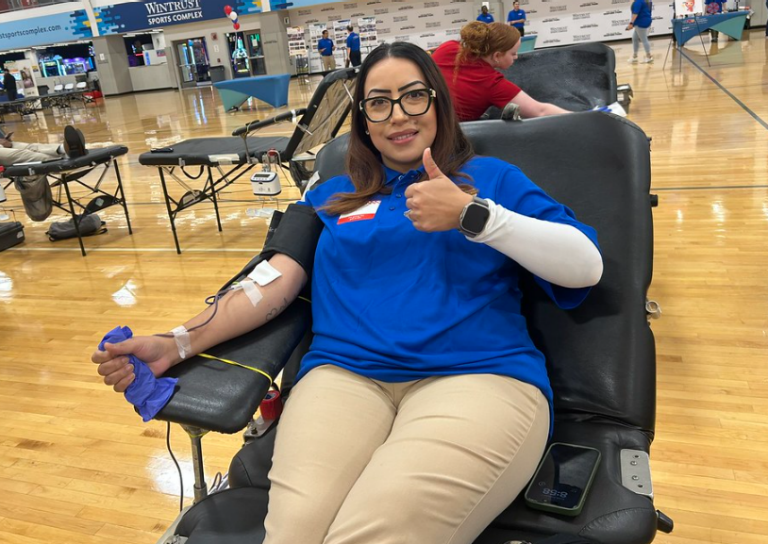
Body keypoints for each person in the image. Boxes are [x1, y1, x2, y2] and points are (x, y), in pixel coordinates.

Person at [93, 41, 603, 544]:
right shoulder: (329, 196)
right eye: (378, 103)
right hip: (346, 378)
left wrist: (475, 216)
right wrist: (175, 342)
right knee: (292, 534)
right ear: (363, 119)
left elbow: (585, 266)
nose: (398, 115)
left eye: (413, 96)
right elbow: (269, 284)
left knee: (372, 533)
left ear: (438, 102)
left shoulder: (490, 179)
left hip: (478, 377)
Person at [432, 22, 570, 121]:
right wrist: (581, 117)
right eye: (513, 53)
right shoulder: (493, 84)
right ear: (497, 56)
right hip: (449, 137)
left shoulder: (447, 47)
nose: (516, 57)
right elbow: (540, 111)